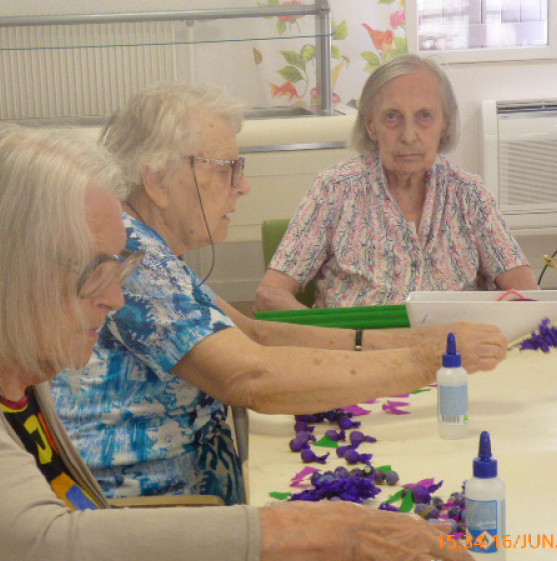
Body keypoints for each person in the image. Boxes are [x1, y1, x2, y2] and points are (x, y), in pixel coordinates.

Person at [0, 121, 507, 561]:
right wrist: (331, 534)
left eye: (123, 267)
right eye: (96, 274)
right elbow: (44, 559)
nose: (114, 299)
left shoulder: (3, 356)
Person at [52, 82, 507, 507]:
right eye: (228, 168)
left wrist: (425, 342)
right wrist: (428, 362)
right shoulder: (134, 257)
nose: (243, 185)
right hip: (152, 512)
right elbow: (251, 378)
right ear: (156, 181)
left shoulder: (146, 244)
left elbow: (253, 333)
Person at [254, 53, 538, 312]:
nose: (409, 135)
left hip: (452, 355)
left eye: (424, 116)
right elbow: (270, 296)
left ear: (445, 124)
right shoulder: (335, 189)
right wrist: (335, 339)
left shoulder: (470, 193)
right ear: (370, 125)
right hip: (356, 356)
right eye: (392, 117)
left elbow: (528, 295)